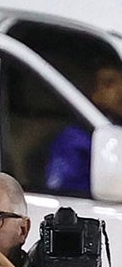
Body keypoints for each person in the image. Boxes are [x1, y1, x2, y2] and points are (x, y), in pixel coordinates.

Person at [45, 61, 122, 193]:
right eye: (109, 84)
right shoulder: (74, 139)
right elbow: (64, 193)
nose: (120, 90)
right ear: (94, 93)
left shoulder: (115, 127)